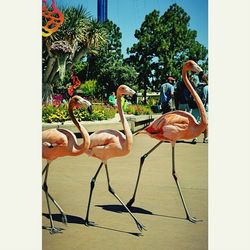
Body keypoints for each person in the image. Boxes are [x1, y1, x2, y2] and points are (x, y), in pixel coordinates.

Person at [188, 73, 208, 144]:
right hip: (204, 108)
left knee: (195, 123)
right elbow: (205, 99)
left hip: (195, 107)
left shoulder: (196, 87)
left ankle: (194, 138)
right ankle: (205, 138)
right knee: (205, 123)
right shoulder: (207, 87)